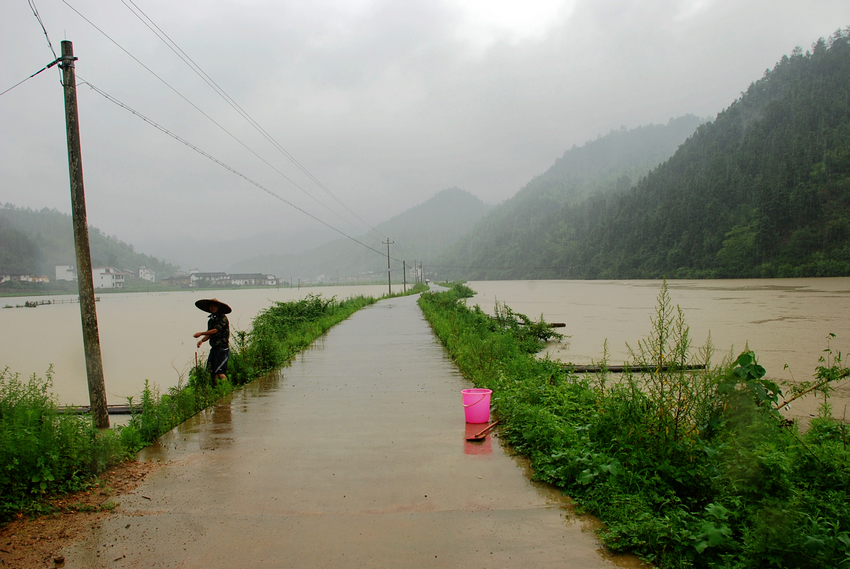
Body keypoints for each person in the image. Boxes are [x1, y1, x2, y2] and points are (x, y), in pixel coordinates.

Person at [193, 298, 231, 385]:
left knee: (220, 373)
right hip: (214, 348)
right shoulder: (211, 320)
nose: (212, 307)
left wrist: (201, 333)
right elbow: (209, 334)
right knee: (212, 372)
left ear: (218, 307)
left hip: (222, 349)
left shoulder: (223, 318)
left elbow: (215, 330)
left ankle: (228, 389)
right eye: (211, 306)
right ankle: (216, 390)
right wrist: (201, 341)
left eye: (214, 306)